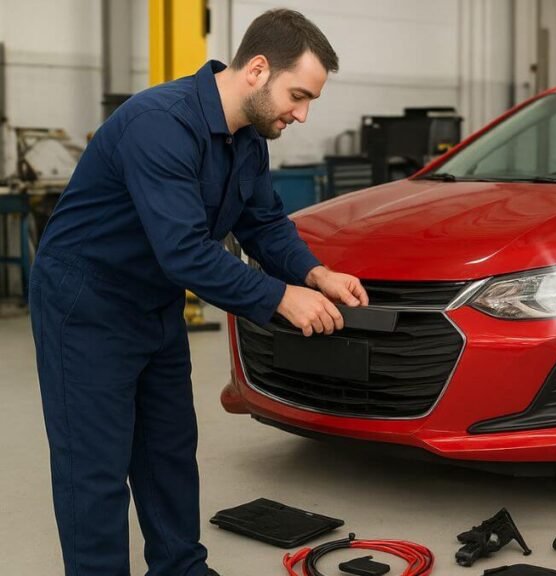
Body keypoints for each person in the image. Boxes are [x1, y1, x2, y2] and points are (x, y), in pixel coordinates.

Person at [29, 9, 368, 576]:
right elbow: (185, 250)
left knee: (167, 453)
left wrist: (313, 274)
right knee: (94, 467)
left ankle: (181, 569)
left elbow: (263, 224)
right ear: (258, 70)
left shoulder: (247, 140)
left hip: (153, 301)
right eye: (299, 95)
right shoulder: (159, 123)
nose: (303, 114)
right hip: (85, 303)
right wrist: (280, 298)